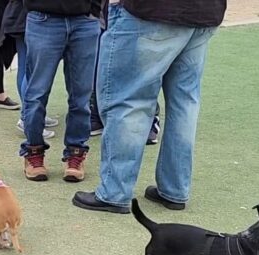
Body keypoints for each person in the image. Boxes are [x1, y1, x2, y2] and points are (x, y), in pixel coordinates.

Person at [73, 0, 226, 213]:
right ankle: (175, 190)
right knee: (185, 104)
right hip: (204, 13)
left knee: (129, 101)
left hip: (149, 11)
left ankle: (114, 192)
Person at [19, 0, 101, 183]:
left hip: (84, 20)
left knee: (81, 97)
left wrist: (94, 9)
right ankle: (33, 152)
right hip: (43, 18)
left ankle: (76, 153)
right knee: (37, 95)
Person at [88, 1, 160, 145]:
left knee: (139, 65)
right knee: (100, 64)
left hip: (133, 15)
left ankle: (149, 121)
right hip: (100, 14)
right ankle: (95, 115)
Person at [0, 0, 58, 139]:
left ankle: (32, 115)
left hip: (20, 15)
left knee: (25, 65)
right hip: (27, 16)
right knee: (30, 69)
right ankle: (27, 118)